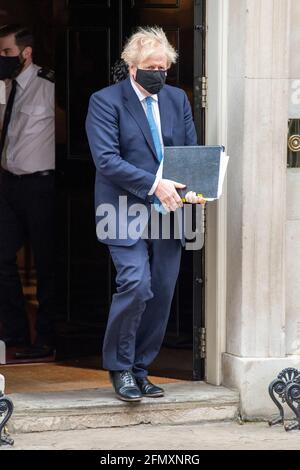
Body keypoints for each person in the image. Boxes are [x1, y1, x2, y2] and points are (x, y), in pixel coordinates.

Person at [86, 26, 205, 402]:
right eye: (152, 66)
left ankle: (140, 368)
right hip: (121, 207)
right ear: (132, 66)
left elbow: (188, 150)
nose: (159, 73)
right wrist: (154, 184)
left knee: (163, 289)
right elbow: (107, 160)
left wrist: (197, 187)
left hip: (170, 210)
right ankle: (119, 368)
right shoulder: (105, 101)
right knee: (136, 282)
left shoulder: (176, 99)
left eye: (164, 67)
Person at [0, 25, 55, 359]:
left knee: (47, 264)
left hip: (41, 185)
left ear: (26, 52)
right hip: (8, 185)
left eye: (6, 52)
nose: (2, 59)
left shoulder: (47, 85)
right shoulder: (4, 86)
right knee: (2, 258)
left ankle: (46, 338)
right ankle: (16, 333)